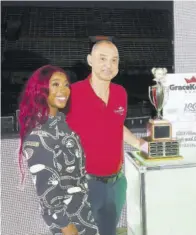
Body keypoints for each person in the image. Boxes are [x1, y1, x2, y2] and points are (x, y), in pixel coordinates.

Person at [66, 40, 148, 235]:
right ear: (90, 60)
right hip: (84, 184)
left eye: (113, 60)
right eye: (102, 59)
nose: (108, 65)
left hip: (115, 183)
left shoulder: (120, 93)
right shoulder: (73, 93)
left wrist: (140, 144)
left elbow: (116, 126)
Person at [18, 65, 99, 235]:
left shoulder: (61, 125)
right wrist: (67, 227)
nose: (64, 90)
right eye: (55, 84)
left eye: (66, 85)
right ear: (41, 90)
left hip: (83, 213)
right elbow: (47, 193)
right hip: (69, 223)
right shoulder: (39, 136)